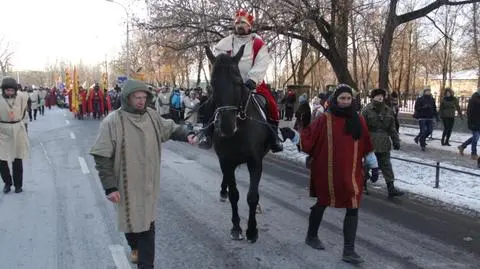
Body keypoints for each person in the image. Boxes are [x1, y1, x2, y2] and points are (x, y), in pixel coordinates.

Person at [90, 79, 197, 269]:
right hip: (125, 184)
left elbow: (170, 128)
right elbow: (101, 156)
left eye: (143, 97)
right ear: (127, 98)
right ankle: (134, 246)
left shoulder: (152, 116)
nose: (141, 101)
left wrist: (186, 134)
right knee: (131, 223)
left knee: (147, 224)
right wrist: (110, 186)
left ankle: (146, 265)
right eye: (136, 97)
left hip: (149, 183)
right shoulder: (113, 121)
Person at [280, 84, 378, 264]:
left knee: (353, 207)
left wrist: (373, 165)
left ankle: (349, 250)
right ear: (335, 99)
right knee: (322, 202)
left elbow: (366, 143)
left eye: (348, 98)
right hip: (328, 172)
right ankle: (311, 236)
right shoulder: (325, 119)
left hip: (352, 173)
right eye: (342, 98)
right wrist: (294, 135)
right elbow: (309, 138)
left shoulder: (359, 120)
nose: (346, 102)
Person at [198, 8, 283, 152]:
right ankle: (206, 133)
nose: (240, 26)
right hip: (230, 86)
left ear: (249, 26)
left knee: (272, 105)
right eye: (237, 23)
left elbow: (262, 63)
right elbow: (219, 63)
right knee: (211, 103)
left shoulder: (258, 44)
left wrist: (252, 80)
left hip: (253, 85)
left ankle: (273, 137)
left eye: (243, 23)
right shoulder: (224, 43)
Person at [361, 88, 404, 197]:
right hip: (371, 141)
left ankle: (391, 187)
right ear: (373, 97)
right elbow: (361, 128)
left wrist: (396, 140)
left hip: (384, 141)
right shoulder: (366, 110)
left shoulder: (388, 110)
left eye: (382, 95)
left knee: (386, 165)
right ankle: (363, 184)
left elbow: (392, 128)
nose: (380, 97)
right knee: (368, 164)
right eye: (377, 95)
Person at [0, 77, 30, 194]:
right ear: (3, 90)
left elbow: (27, 98)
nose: (10, 92)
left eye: (12, 90)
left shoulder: (21, 97)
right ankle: (7, 183)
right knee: (2, 161)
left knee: (17, 160)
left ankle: (18, 185)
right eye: (7, 90)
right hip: (2, 131)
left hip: (18, 130)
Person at [458, 88, 480, 159]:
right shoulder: (474, 99)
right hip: (474, 122)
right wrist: (472, 122)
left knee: (475, 137)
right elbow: (469, 112)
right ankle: (473, 154)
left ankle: (462, 146)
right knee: (476, 137)